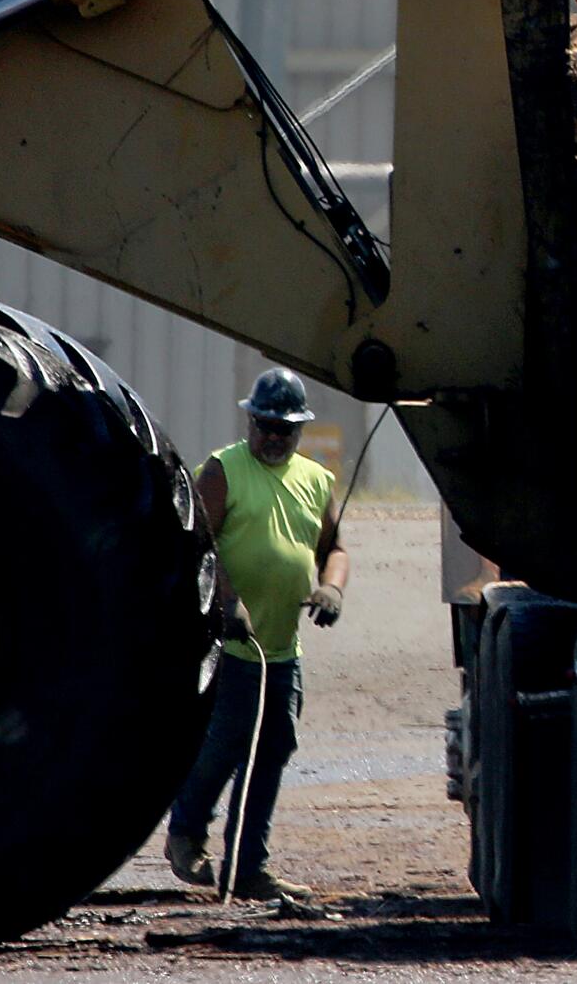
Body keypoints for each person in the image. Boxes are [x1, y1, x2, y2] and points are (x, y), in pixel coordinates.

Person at [163, 368, 348, 901]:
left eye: (284, 429)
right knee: (225, 743)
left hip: (281, 648)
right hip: (230, 641)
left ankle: (247, 868)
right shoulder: (224, 470)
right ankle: (185, 834)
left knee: (272, 750)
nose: (273, 436)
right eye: (264, 424)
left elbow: (334, 549)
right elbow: (198, 540)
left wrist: (331, 588)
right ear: (250, 420)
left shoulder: (315, 480)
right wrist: (226, 599)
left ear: (300, 430)